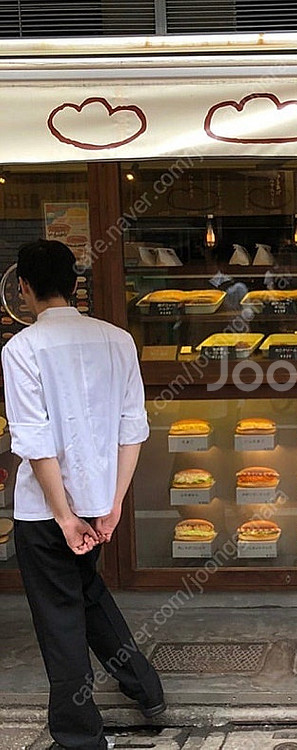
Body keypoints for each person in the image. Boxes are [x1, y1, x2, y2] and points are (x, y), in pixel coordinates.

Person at [2, 240, 165, 750]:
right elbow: (132, 428)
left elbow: (35, 442)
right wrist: (111, 505)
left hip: (44, 511)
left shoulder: (21, 349)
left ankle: (79, 737)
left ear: (23, 288)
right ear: (75, 285)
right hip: (97, 502)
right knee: (86, 592)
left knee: (59, 616)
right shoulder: (118, 339)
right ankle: (146, 689)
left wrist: (63, 516)